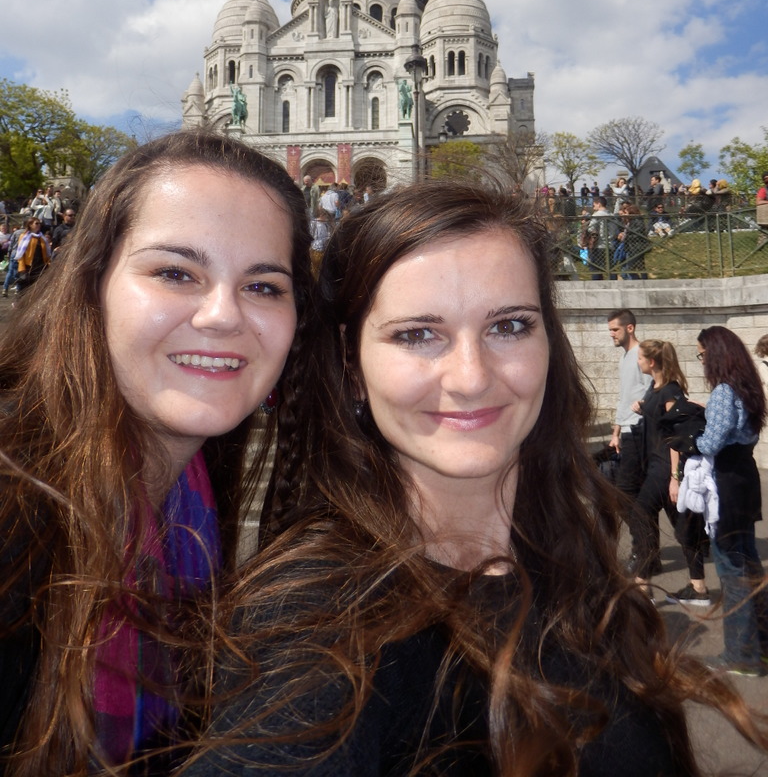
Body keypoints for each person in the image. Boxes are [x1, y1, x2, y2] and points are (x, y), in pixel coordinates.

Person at [183, 182, 766, 777]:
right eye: (417, 334)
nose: (471, 377)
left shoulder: (571, 554)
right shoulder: (314, 619)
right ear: (351, 365)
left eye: (509, 326)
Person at [0, 130, 313, 776]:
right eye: (175, 273)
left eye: (263, 286)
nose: (222, 315)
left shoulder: (192, 489)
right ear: (92, 284)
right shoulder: (13, 498)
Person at [694, 326, 768, 677]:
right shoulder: (747, 387)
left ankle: (741, 655)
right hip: (745, 478)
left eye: (702, 354)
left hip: (727, 483)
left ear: (716, 354)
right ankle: (761, 645)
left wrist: (691, 439)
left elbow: (711, 443)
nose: (701, 360)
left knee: (731, 570)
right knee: (749, 565)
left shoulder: (724, 391)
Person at [630, 341, 710, 606]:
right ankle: (698, 587)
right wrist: (643, 406)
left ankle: (642, 587)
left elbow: (677, 436)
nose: (638, 362)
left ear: (651, 362)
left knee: (640, 513)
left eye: (640, 358)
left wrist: (675, 478)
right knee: (684, 527)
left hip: (665, 468)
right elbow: (660, 421)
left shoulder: (670, 392)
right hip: (656, 466)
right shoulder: (656, 389)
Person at [606, 311, 652, 571]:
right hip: (626, 431)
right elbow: (624, 398)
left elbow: (653, 389)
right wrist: (616, 431)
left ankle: (642, 552)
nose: (611, 334)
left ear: (630, 328)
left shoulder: (641, 354)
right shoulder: (625, 357)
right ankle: (649, 552)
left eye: (615, 329)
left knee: (625, 493)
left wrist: (641, 410)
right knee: (635, 494)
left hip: (639, 431)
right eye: (610, 330)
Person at [13, 216, 51, 294]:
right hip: (29, 266)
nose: (39, 225)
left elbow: (46, 253)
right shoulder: (24, 236)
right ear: (30, 225)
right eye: (36, 223)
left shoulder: (42, 237)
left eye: (39, 223)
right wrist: (22, 267)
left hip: (40, 266)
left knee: (39, 289)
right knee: (26, 289)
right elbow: (21, 253)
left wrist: (48, 263)